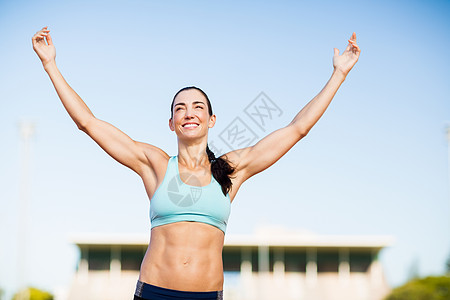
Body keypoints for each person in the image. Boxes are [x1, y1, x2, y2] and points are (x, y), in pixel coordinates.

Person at [32, 26, 360, 300]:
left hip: (207, 294)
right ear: (172, 123)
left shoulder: (232, 168)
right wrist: (51, 65)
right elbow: (88, 123)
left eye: (198, 107)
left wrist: (339, 74)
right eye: (180, 108)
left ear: (212, 119)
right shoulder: (155, 164)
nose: (189, 112)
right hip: (154, 292)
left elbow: (297, 129)